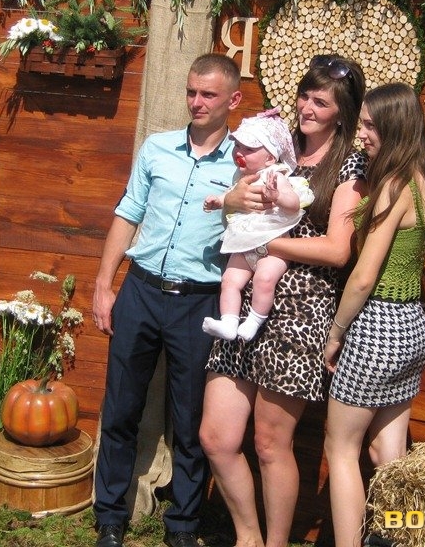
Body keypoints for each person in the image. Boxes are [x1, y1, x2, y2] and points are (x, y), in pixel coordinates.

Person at [201, 54, 368, 547]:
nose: (307, 108)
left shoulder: (350, 165)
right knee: (216, 437)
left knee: (271, 443)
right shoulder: (277, 143)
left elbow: (337, 250)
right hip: (243, 302)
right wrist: (233, 203)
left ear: (342, 112)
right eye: (304, 96)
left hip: (299, 311)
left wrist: (268, 245)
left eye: (321, 102)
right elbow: (237, 205)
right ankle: (247, 538)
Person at [91, 53, 243, 547]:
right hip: (141, 290)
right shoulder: (156, 149)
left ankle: (183, 525)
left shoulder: (244, 164)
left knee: (191, 418)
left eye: (208, 94)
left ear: (233, 100)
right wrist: (104, 283)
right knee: (121, 408)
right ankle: (110, 516)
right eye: (191, 92)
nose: (197, 102)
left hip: (199, 302)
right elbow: (128, 213)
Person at [323, 83, 425, 547]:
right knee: (388, 453)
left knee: (341, 448)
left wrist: (336, 332)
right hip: (412, 326)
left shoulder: (394, 185)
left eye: (371, 126)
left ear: (395, 127)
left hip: (377, 326)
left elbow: (363, 277)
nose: (362, 134)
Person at [202, 107, 314, 342]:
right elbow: (230, 195)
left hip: (273, 245)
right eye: (237, 146)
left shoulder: (276, 176)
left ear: (270, 157)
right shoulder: (240, 177)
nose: (239, 152)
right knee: (230, 280)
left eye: (249, 149)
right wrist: (219, 201)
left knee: (265, 279)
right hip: (245, 244)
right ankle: (229, 322)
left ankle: (254, 321)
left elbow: (293, 204)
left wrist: (278, 196)